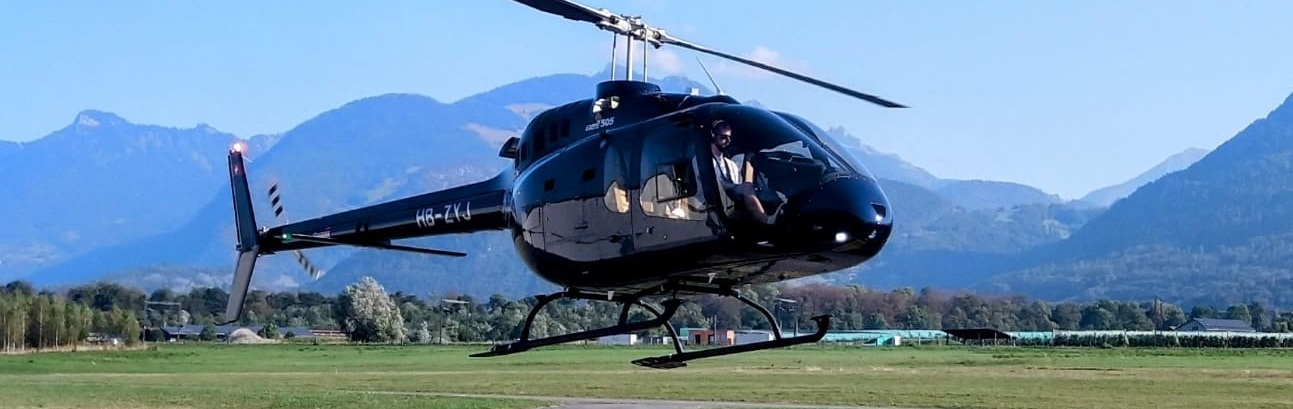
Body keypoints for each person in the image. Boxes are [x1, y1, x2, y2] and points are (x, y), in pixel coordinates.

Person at [710, 120, 772, 224]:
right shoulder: (704, 161)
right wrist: (740, 188)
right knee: (747, 188)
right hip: (715, 207)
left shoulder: (731, 165)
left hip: (733, 206)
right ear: (713, 136)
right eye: (723, 137)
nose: (727, 141)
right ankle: (765, 220)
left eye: (729, 138)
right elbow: (714, 185)